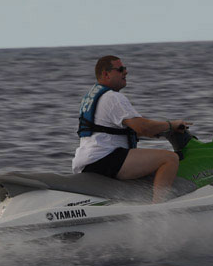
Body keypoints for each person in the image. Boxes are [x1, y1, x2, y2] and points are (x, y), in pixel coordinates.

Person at [73, 55, 190, 203]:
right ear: (106, 74)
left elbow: (119, 129)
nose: (125, 72)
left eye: (125, 68)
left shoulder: (91, 97)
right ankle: (160, 209)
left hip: (90, 160)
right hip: (104, 158)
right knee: (169, 159)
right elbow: (143, 127)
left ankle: (140, 202)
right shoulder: (112, 97)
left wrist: (160, 132)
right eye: (120, 69)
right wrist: (171, 125)